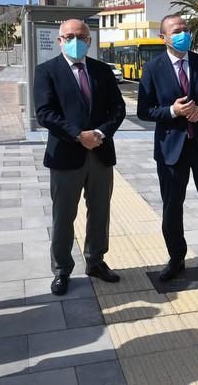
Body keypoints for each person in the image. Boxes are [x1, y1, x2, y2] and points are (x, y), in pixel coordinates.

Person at [34, 19, 126, 295]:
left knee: (100, 213)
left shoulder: (102, 71)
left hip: (100, 153)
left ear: (89, 41)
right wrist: (78, 135)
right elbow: (45, 113)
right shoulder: (47, 71)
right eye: (69, 36)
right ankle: (62, 269)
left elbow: (118, 108)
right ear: (60, 40)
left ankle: (96, 261)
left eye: (81, 36)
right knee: (64, 216)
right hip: (65, 156)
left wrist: (99, 132)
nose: (75, 40)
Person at [137, 14, 198, 283]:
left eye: (186, 29)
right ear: (162, 37)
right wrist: (172, 111)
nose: (184, 34)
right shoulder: (152, 69)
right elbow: (144, 110)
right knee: (172, 207)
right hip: (170, 149)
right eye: (177, 30)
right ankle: (176, 258)